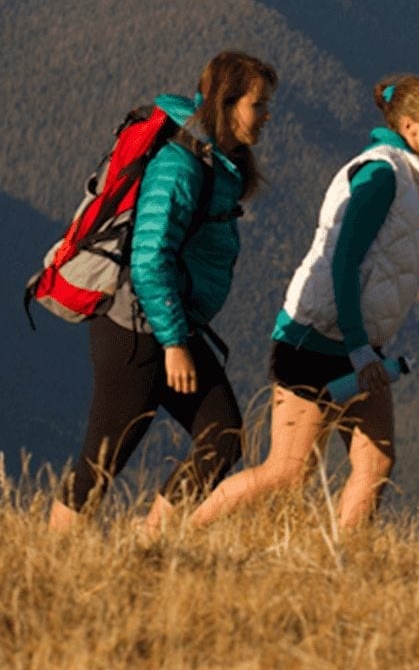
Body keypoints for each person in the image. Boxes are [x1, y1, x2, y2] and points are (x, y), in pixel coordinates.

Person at [187, 74, 419, 534]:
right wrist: (357, 346)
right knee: (287, 473)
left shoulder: (413, 180)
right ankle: (181, 538)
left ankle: (345, 562)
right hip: (316, 341)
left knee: (376, 462)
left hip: (355, 344)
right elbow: (344, 262)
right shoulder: (381, 176)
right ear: (410, 127)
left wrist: (362, 346)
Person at [49, 49, 277, 533]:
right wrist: (174, 344)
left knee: (223, 436)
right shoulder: (181, 166)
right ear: (227, 102)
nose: (266, 115)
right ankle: (49, 561)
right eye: (258, 104)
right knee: (102, 460)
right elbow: (149, 257)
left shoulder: (212, 160)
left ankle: (150, 545)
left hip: (167, 321)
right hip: (136, 331)